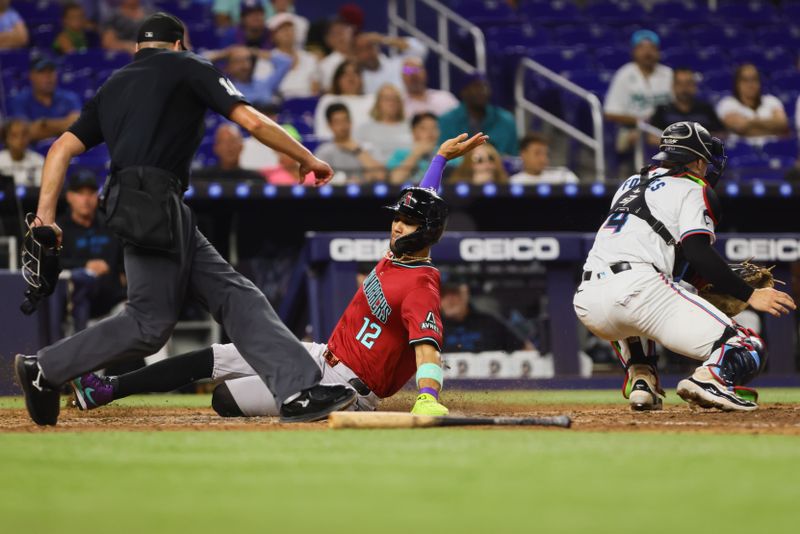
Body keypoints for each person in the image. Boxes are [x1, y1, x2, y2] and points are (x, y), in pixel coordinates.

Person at [14, 12, 356, 427]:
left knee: (235, 295)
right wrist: (306, 157)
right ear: (179, 44)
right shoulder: (190, 65)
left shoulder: (114, 84)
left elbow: (59, 150)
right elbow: (249, 119)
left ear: (139, 48)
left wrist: (45, 221)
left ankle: (298, 389)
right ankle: (45, 369)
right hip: (155, 201)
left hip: (138, 201)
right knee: (148, 323)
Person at [69, 133, 488, 417]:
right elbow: (423, 206)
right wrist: (438, 160)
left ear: (428, 232)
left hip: (345, 387)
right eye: (397, 219)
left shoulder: (420, 284)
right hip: (320, 355)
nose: (397, 227)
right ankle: (105, 390)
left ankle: (330, 406)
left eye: (407, 224)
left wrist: (428, 397)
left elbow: (428, 349)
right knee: (216, 358)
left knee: (224, 399)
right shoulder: (398, 255)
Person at [573, 121, 795, 413]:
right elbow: (696, 250)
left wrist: (698, 283)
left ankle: (642, 379)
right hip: (640, 291)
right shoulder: (694, 188)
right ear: (700, 160)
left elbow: (673, 263)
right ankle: (709, 379)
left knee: (637, 307)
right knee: (747, 346)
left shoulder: (630, 183)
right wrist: (748, 294)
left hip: (588, 301)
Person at [57, 170, 126, 332]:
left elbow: (124, 267)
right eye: (80, 193)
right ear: (69, 197)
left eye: (91, 193)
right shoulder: (59, 229)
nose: (86, 199)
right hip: (74, 309)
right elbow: (55, 265)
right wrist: (85, 265)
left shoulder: (111, 225)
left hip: (114, 305)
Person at [604, 30, 673, 154]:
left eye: (652, 48)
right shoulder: (624, 75)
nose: (647, 53)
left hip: (665, 127)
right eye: (641, 48)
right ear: (634, 52)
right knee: (648, 137)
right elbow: (610, 113)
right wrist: (641, 121)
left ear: (658, 51)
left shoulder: (668, 74)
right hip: (632, 129)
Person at [441, 278, 533, 353]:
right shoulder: (431, 329)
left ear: (465, 293)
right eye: (443, 295)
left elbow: (527, 350)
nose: (449, 300)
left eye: (454, 293)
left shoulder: (490, 323)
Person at [438, 74, 518, 156]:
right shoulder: (447, 121)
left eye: (485, 86)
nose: (482, 91)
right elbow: (442, 154)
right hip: (457, 168)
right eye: (476, 87)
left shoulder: (506, 120)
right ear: (464, 92)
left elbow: (513, 156)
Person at [8, 57, 82, 142]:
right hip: (32, 153)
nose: (48, 76)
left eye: (51, 71)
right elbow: (24, 134)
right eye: (42, 72)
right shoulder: (19, 100)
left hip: (66, 151)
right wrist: (63, 125)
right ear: (31, 76)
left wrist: (44, 124)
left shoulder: (70, 97)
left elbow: (78, 127)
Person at [716, 63, 789, 147]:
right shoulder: (727, 103)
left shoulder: (771, 100)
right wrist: (771, 127)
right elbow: (740, 126)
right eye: (745, 80)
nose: (750, 84)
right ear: (737, 83)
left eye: (754, 79)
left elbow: (782, 124)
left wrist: (750, 123)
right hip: (742, 151)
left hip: (773, 149)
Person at [314, 103, 384, 183]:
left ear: (351, 122)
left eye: (345, 120)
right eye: (337, 122)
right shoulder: (323, 152)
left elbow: (381, 176)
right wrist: (349, 182)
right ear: (329, 125)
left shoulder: (367, 147)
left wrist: (357, 150)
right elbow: (318, 181)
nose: (343, 126)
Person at [648, 68, 724, 135]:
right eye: (679, 84)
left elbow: (722, 134)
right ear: (673, 87)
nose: (684, 89)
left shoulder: (706, 109)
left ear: (695, 86)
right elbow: (651, 137)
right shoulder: (662, 110)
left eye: (688, 83)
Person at [387, 112, 457, 184]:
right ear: (414, 132)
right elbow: (395, 181)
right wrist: (416, 154)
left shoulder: (449, 153)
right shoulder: (400, 154)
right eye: (423, 128)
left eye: (434, 127)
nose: (430, 132)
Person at [313, 60, 375, 139]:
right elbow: (322, 132)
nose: (350, 78)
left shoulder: (372, 99)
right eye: (345, 74)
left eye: (355, 73)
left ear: (361, 79)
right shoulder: (328, 100)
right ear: (337, 80)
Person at [215, 45, 292, 106]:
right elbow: (203, 65)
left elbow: (286, 62)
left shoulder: (264, 84)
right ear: (229, 67)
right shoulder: (225, 91)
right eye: (238, 61)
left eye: (247, 59)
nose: (245, 66)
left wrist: (254, 51)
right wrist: (223, 54)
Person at [352, 31, 427, 94]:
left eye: (369, 47)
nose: (366, 54)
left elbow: (420, 50)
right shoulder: (358, 78)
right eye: (360, 50)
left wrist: (383, 39)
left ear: (377, 47)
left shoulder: (400, 67)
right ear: (355, 54)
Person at [354, 83, 412, 163]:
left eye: (395, 99)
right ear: (378, 103)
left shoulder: (411, 126)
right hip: (374, 172)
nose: (391, 103)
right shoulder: (364, 129)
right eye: (387, 99)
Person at [267, 13, 319, 98]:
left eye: (290, 28)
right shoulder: (267, 59)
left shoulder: (310, 58)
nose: (288, 32)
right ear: (272, 36)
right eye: (282, 29)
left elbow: (315, 88)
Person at [193, 123, 264, 181]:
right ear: (216, 148)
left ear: (241, 146)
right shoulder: (200, 179)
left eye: (233, 141)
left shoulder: (255, 180)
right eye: (224, 142)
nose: (229, 147)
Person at [510, 133, 579, 184]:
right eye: (537, 153)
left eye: (545, 154)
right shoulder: (514, 182)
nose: (543, 158)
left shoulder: (563, 175)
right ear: (523, 154)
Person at [0, 118, 45, 186]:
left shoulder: (39, 161)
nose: (20, 139)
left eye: (24, 134)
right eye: (14, 135)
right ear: (6, 138)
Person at [318, 18, 354, 92]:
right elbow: (328, 90)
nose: (342, 36)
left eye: (344, 31)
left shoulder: (363, 57)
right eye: (336, 33)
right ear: (328, 40)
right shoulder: (325, 65)